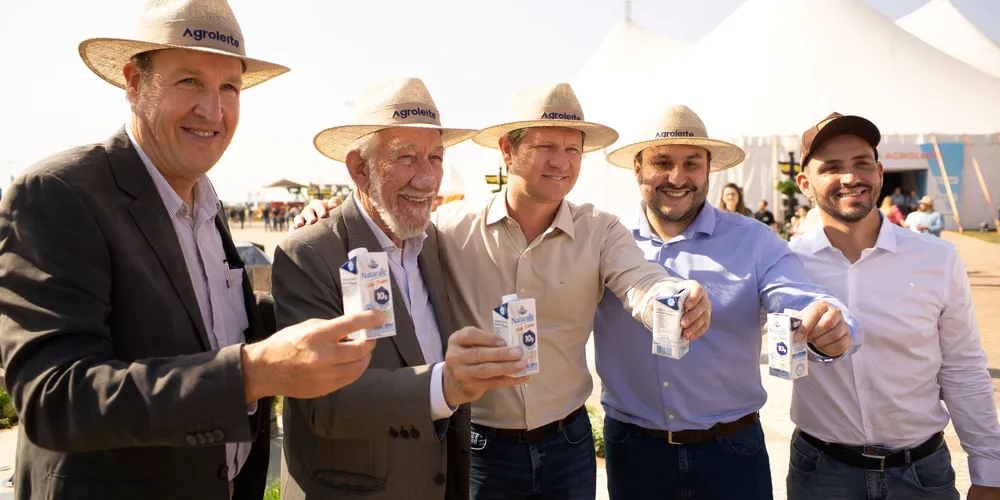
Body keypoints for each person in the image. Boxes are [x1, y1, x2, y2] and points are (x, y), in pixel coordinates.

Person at [0, 2, 380, 498]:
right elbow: (55, 399)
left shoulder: (203, 199)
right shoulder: (58, 192)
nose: (212, 111)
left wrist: (312, 285)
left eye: (229, 88)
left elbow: (207, 320)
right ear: (134, 83)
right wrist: (253, 372)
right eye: (189, 82)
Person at [293, 83, 714, 500]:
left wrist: (674, 297)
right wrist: (331, 210)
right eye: (546, 146)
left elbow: (640, 280)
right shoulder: (448, 229)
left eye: (573, 149)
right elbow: (382, 221)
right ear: (507, 151)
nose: (561, 162)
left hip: (568, 444)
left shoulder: (600, 231)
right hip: (480, 447)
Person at [273, 78, 526, 500]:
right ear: (359, 169)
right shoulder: (311, 251)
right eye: (406, 157)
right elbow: (320, 402)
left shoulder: (433, 243)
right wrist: (444, 386)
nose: (427, 179)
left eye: (435, 157)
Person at [595, 104, 859, 500]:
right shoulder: (605, 240)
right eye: (662, 162)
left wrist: (829, 323)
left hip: (732, 452)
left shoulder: (754, 240)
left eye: (691, 163)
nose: (677, 177)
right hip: (634, 451)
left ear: (709, 169)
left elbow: (796, 295)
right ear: (637, 168)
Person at [788, 112, 1000, 500]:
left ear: (880, 172)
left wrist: (990, 470)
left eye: (862, 163)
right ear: (805, 184)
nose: (850, 177)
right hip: (821, 473)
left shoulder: (937, 258)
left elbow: (963, 367)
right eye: (832, 167)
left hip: (922, 473)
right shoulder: (785, 264)